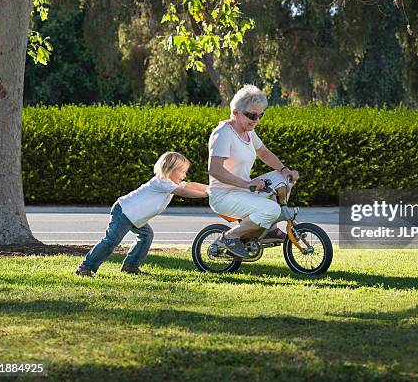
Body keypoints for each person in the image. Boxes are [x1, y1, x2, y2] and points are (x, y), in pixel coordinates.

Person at [76, 151, 208, 276]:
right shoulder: (162, 182)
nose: (184, 176)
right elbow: (184, 192)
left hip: (135, 217)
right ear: (171, 169)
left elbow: (191, 186)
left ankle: (130, 266)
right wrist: (207, 194)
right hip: (124, 212)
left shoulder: (169, 183)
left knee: (146, 236)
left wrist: (210, 188)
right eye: (183, 172)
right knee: (111, 241)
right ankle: (85, 266)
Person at [207, 84, 300, 258]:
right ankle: (230, 237)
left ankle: (270, 229)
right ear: (235, 113)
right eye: (251, 115)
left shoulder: (249, 132)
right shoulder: (223, 133)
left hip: (243, 189)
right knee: (272, 209)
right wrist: (247, 183)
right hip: (223, 195)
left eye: (260, 115)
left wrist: (284, 169)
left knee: (283, 180)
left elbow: (263, 152)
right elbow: (215, 170)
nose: (256, 120)